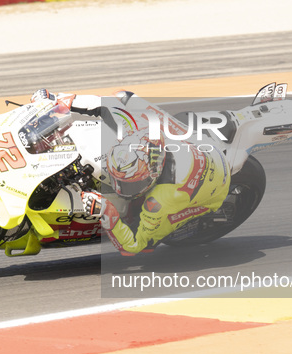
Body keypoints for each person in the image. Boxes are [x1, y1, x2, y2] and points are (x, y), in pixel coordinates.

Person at [30, 88, 231, 256]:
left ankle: (201, 209)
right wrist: (55, 99)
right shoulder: (137, 131)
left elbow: (133, 246)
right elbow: (102, 104)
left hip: (214, 186)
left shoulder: (160, 200)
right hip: (195, 143)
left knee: (146, 244)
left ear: (154, 174)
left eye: (131, 184)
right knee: (123, 97)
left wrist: (107, 211)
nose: (120, 188)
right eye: (120, 180)